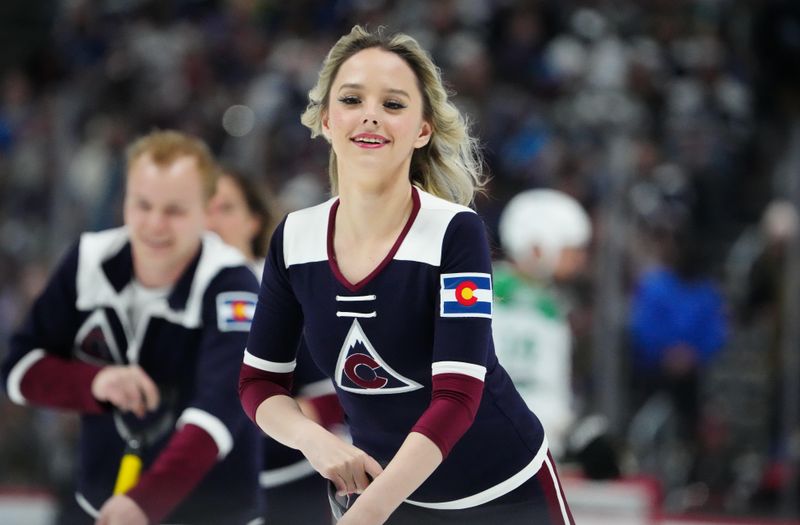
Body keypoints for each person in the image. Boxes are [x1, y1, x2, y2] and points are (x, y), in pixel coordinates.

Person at [238, 25, 575, 525]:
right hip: (395, 504)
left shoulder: (456, 232)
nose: (370, 113)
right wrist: (319, 444)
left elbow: (458, 396)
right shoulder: (294, 238)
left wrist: (370, 511)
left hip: (507, 495)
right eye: (352, 99)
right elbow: (259, 383)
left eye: (393, 104)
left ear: (422, 129)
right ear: (327, 120)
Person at [1, 130, 263, 524]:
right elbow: (18, 371)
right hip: (103, 507)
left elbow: (220, 411)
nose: (155, 224)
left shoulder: (232, 284)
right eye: (142, 205)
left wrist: (146, 501)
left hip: (213, 514)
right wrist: (94, 383)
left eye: (174, 210)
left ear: (206, 210)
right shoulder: (88, 261)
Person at [207, 168, 342, 525]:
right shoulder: (168, 301)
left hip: (286, 493)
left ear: (253, 221)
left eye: (225, 208)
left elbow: (331, 400)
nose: (210, 220)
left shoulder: (283, 291)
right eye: (201, 207)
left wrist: (256, 427)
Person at [494, 188, 619, 479]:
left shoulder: (551, 304)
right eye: (570, 250)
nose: (580, 260)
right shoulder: (486, 292)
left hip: (539, 445)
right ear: (537, 245)